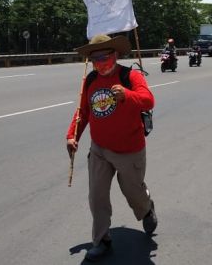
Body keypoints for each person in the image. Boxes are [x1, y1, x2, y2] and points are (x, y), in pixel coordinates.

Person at [66, 34, 157, 262]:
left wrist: (127, 94)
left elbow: (148, 100)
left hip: (130, 149)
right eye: (95, 59)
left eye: (105, 57)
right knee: (97, 196)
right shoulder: (90, 80)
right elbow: (83, 112)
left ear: (115, 55)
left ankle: (146, 208)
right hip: (100, 150)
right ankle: (102, 240)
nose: (101, 63)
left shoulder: (130, 75)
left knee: (133, 193)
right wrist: (72, 136)